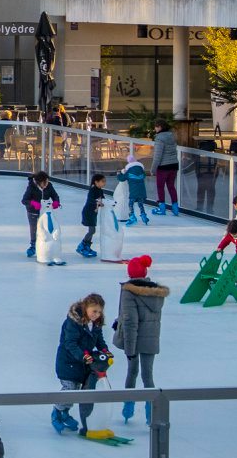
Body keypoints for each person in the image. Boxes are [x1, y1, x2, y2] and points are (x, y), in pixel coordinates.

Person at [113, 255, 167, 422]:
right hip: (150, 339)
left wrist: (129, 349)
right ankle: (151, 413)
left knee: (132, 372)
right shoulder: (155, 292)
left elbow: (130, 322)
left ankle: (128, 407)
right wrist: (118, 321)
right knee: (148, 376)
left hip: (134, 340)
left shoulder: (129, 292)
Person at [51, 293, 109, 435]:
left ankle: (64, 413)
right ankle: (56, 412)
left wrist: (105, 350)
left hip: (82, 363)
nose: (96, 314)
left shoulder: (95, 323)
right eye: (94, 311)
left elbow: (99, 339)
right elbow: (70, 343)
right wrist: (83, 356)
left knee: (75, 390)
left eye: (99, 311)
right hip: (68, 362)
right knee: (69, 389)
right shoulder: (73, 322)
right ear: (85, 307)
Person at [22, 171, 61, 261]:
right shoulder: (31, 187)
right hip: (33, 212)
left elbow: (55, 196)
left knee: (46, 228)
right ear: (39, 182)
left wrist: (56, 202)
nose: (46, 184)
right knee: (35, 228)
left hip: (45, 212)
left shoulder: (49, 186)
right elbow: (24, 200)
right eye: (45, 182)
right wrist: (33, 203)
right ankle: (33, 245)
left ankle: (47, 246)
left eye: (47, 181)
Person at [150, 122, 181, 216]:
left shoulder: (159, 138)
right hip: (174, 165)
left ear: (159, 127)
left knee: (160, 187)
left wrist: (153, 169)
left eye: (155, 127)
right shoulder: (172, 136)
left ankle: (162, 208)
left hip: (163, 166)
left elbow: (157, 156)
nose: (155, 129)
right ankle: (175, 209)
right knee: (171, 186)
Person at [183, 140, 221, 214]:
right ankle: (209, 209)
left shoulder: (199, 156)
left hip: (201, 175)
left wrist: (184, 171)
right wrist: (215, 175)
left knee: (201, 191)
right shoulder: (214, 157)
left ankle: (199, 208)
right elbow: (218, 167)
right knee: (211, 192)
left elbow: (194, 166)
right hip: (211, 175)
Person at [76, 173, 108, 258]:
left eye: (105, 181)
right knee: (92, 231)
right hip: (88, 212)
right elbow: (90, 199)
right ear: (96, 182)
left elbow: (103, 199)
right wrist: (97, 202)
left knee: (92, 230)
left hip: (94, 213)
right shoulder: (92, 190)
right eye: (102, 181)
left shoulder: (100, 190)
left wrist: (108, 203)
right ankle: (82, 246)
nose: (104, 183)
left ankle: (87, 247)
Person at [118, 157, 151, 226]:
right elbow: (144, 176)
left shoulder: (129, 171)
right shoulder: (141, 170)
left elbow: (121, 179)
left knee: (131, 204)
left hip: (133, 192)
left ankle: (132, 216)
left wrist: (119, 173)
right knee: (140, 204)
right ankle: (143, 215)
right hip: (142, 192)